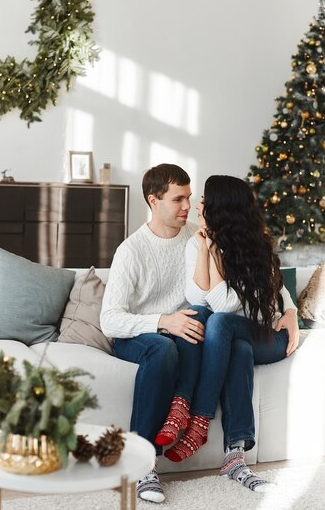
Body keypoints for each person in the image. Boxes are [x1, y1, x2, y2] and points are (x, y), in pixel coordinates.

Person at [155, 175, 299, 492]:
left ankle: (197, 418)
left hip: (269, 336)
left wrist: (291, 313)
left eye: (205, 200)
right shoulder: (198, 242)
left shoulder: (255, 245)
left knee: (219, 323)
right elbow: (196, 298)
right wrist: (206, 249)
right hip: (241, 337)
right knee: (233, 345)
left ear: (222, 207)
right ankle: (235, 456)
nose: (197, 205)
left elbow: (224, 304)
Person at [100, 163, 209, 504]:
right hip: (137, 336)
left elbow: (249, 264)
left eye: (189, 198)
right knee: (164, 349)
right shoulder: (131, 250)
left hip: (181, 330)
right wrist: (163, 321)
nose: (187, 206)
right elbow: (110, 320)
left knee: (201, 317)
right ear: (154, 200)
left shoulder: (196, 236)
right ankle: (142, 463)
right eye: (178, 199)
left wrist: (289, 309)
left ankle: (183, 411)